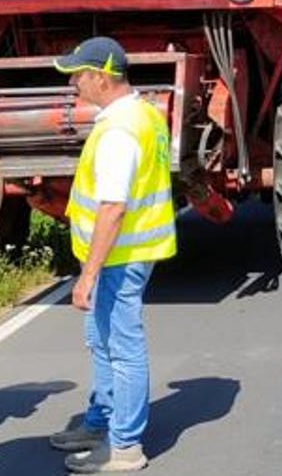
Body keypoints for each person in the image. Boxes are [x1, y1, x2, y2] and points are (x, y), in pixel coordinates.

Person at [45, 36, 178, 473]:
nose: (74, 85)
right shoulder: (143, 114)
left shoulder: (120, 130)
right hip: (126, 251)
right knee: (101, 341)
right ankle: (99, 421)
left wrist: (88, 274)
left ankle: (124, 446)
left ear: (102, 77)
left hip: (121, 256)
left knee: (122, 347)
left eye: (79, 76)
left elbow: (113, 207)